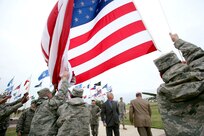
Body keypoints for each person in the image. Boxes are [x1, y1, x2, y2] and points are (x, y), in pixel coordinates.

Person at [153, 33, 204, 136]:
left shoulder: (162, 93)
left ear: (161, 75)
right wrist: (178, 41)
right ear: (181, 63)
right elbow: (199, 58)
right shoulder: (199, 77)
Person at [29, 71, 70, 136]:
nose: (52, 95)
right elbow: (60, 96)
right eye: (51, 93)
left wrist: (54, 89)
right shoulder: (48, 104)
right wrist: (64, 79)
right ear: (48, 95)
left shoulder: (39, 104)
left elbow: (50, 98)